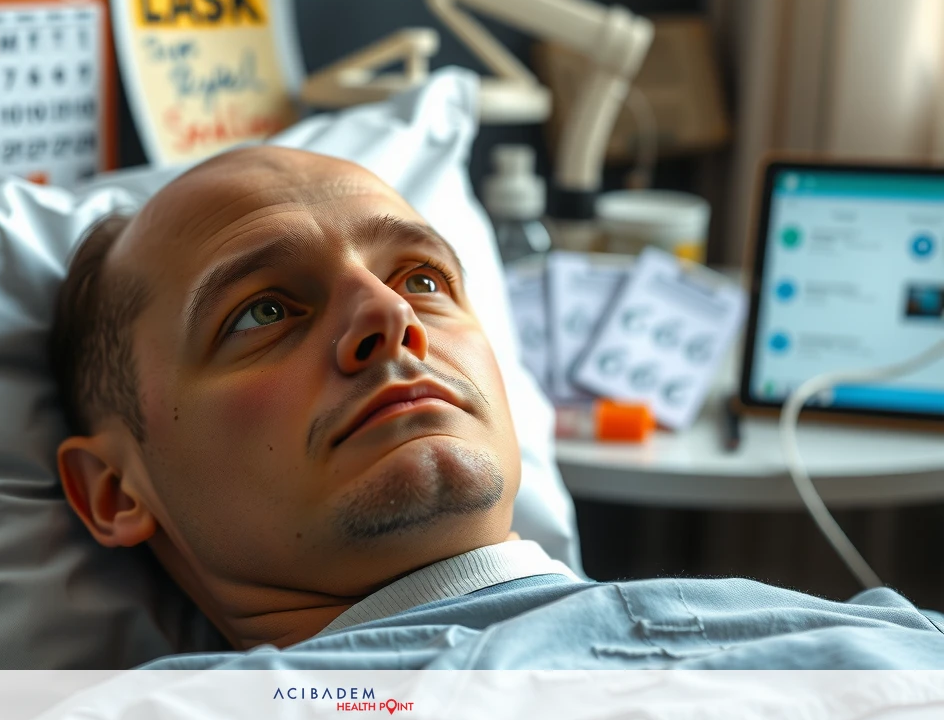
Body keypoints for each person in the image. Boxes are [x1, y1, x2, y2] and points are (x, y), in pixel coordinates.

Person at [49, 146, 944, 669]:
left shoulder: (887, 639)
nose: (391, 318)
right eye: (264, 311)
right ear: (115, 492)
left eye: (425, 279)